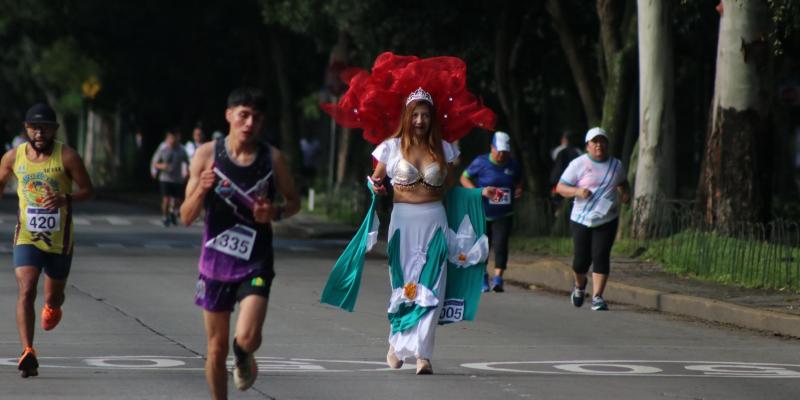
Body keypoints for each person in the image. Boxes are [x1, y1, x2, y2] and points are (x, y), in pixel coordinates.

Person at [180, 87, 299, 399]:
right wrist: (200, 191)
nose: (249, 123)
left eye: (256, 118)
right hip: (214, 265)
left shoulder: (272, 159)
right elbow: (185, 215)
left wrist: (274, 212)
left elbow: (294, 202)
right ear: (229, 115)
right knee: (215, 349)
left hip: (255, 262)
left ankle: (244, 355)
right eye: (243, 115)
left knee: (246, 336)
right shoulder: (206, 155)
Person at [369, 87, 497, 375]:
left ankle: (423, 355)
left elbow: (451, 187)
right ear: (407, 116)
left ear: (432, 119)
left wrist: (478, 194)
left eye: (425, 115)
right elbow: (375, 180)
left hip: (434, 220)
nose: (419, 120)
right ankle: (396, 344)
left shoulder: (445, 148)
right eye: (415, 114)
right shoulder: (390, 147)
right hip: (403, 221)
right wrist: (376, 188)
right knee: (403, 284)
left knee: (433, 284)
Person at [0, 103, 94, 378]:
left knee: (54, 296)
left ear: (54, 130)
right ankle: (28, 350)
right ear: (26, 129)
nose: (39, 132)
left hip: (59, 241)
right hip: (27, 236)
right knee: (26, 289)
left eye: (45, 127)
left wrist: (66, 199)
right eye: (34, 127)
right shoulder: (12, 158)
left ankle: (53, 306)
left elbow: (89, 191)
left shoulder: (67, 156)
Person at [556, 127, 629, 311]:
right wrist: (577, 191)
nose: (599, 145)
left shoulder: (616, 165)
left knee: (601, 255)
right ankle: (580, 286)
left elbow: (622, 182)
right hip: (582, 218)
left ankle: (598, 296)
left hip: (607, 219)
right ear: (588, 146)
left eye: (602, 141)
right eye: (594, 142)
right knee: (581, 260)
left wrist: (625, 194)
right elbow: (560, 187)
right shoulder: (578, 164)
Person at [460, 131, 523, 293]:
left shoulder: (513, 165)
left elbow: (518, 181)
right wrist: (477, 192)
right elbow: (464, 178)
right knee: (482, 246)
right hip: (482, 211)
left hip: (504, 213)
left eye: (505, 152)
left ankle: (498, 279)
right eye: (499, 151)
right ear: (492, 148)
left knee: (501, 244)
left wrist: (518, 189)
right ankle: (482, 277)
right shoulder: (481, 162)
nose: (502, 155)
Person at [151, 130, 189, 226]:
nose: (172, 141)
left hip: (177, 179)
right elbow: (155, 163)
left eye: (174, 138)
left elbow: (188, 162)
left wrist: (188, 172)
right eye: (170, 138)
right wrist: (160, 167)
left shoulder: (181, 149)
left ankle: (172, 212)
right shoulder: (163, 149)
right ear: (167, 139)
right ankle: (165, 216)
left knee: (178, 200)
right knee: (166, 199)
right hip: (165, 178)